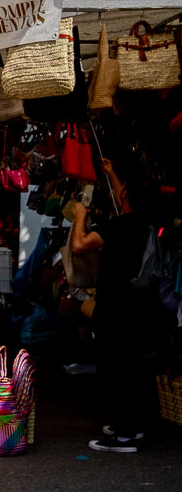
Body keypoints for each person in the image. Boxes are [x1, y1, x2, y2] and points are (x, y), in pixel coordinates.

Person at [71, 157, 158, 453]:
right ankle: (132, 426)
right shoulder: (144, 222)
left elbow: (79, 245)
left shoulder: (119, 226)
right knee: (132, 366)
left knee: (115, 370)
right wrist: (112, 172)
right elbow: (127, 201)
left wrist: (80, 215)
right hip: (137, 306)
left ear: (125, 197)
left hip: (116, 307)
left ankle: (124, 435)